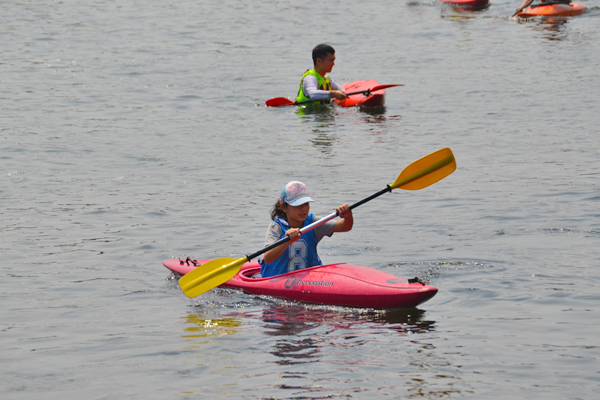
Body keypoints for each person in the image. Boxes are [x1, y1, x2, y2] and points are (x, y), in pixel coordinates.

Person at [259, 181, 353, 278]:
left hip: (309, 281)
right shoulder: (276, 228)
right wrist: (286, 241)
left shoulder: (313, 222)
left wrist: (348, 216)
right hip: (278, 280)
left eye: (306, 204)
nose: (303, 209)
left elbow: (345, 227)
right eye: (297, 205)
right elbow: (268, 257)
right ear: (284, 207)